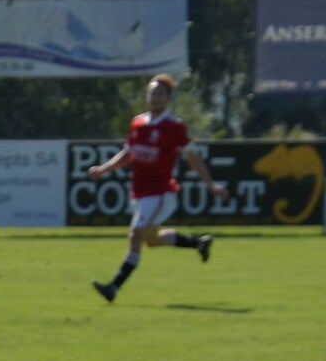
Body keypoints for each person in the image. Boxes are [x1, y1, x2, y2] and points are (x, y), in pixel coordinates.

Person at [87, 74, 227, 303]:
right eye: (152, 92)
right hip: (139, 192)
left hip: (160, 193)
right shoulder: (137, 123)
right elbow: (128, 154)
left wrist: (210, 184)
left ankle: (113, 287)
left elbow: (192, 157)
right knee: (151, 240)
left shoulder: (174, 126)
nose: (155, 97)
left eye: (160, 93)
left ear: (168, 98)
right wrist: (103, 169)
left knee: (135, 234)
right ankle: (198, 243)